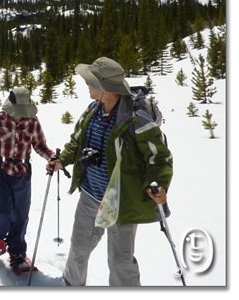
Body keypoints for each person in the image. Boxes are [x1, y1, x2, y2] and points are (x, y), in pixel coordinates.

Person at [47, 57, 173, 286]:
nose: (87, 85)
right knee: (78, 249)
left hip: (120, 201)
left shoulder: (135, 120)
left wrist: (158, 183)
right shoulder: (92, 111)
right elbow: (77, 142)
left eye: (91, 81)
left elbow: (159, 158)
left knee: (120, 261)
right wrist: (62, 160)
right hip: (89, 195)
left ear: (106, 87)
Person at [0, 87, 54, 272]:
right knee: (4, 211)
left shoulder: (33, 122)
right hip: (1, 170)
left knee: (21, 213)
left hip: (22, 171)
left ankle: (17, 251)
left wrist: (51, 157)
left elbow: (40, 145)